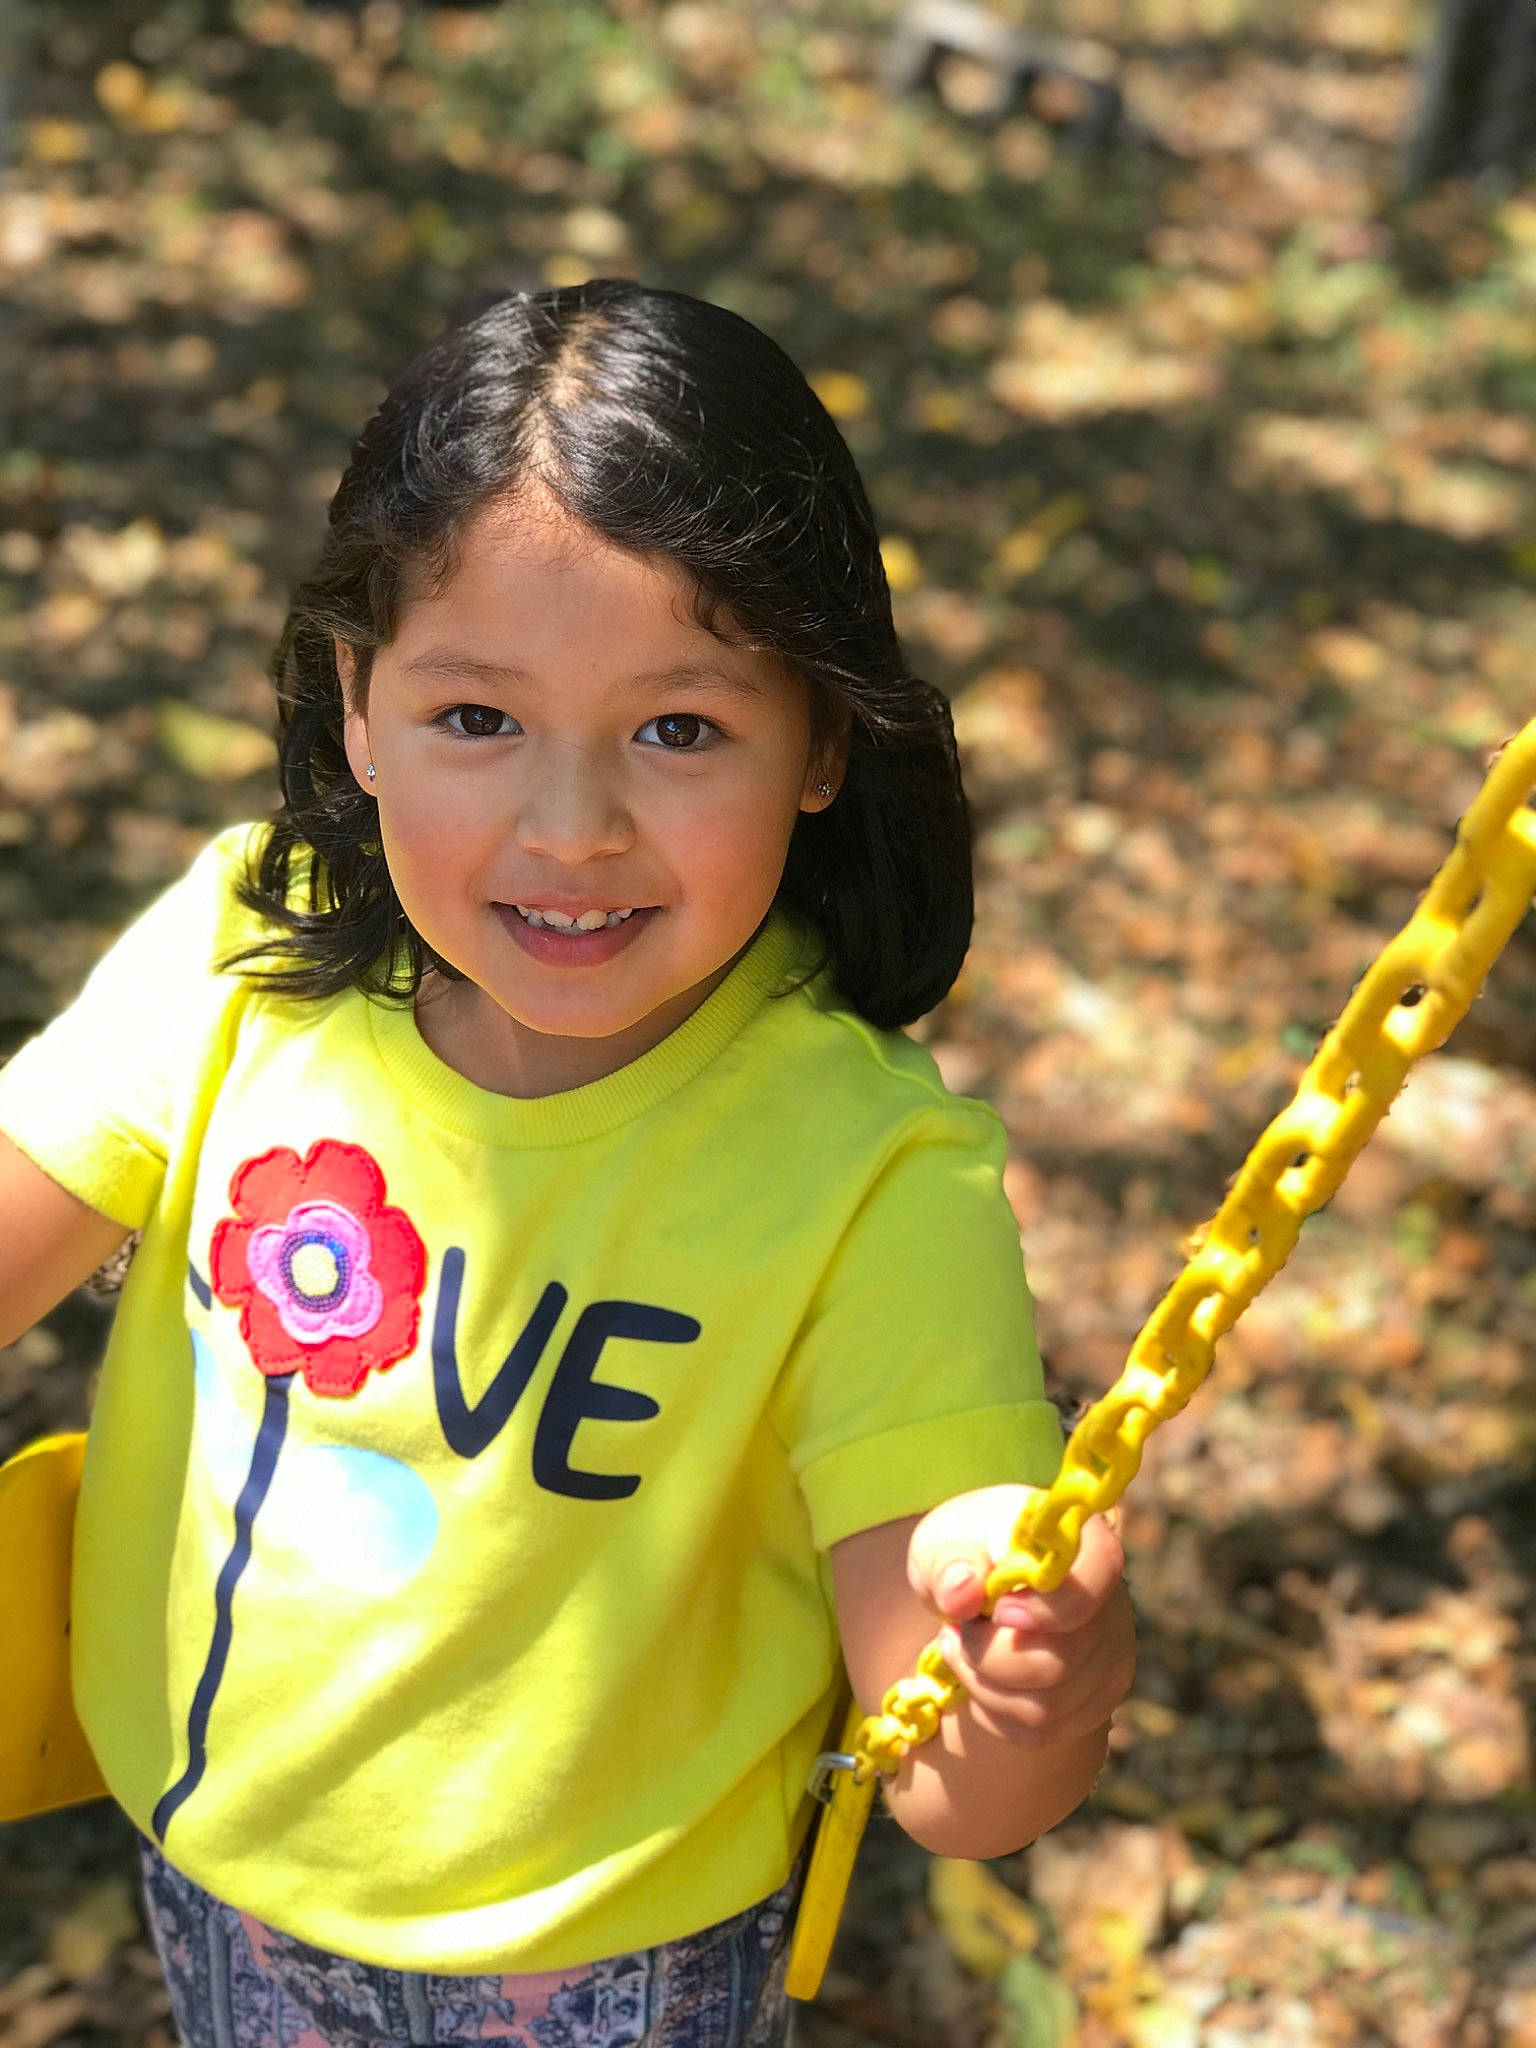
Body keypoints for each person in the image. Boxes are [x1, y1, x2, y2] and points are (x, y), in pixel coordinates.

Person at [0, 279, 1135, 2048]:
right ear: (357, 704)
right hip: (221, 1873)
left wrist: (1040, 1676)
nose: (571, 828)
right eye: (478, 719)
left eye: (680, 729)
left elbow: (954, 1794)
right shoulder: (244, 956)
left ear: (823, 741)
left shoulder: (870, 1178)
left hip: (627, 1967)